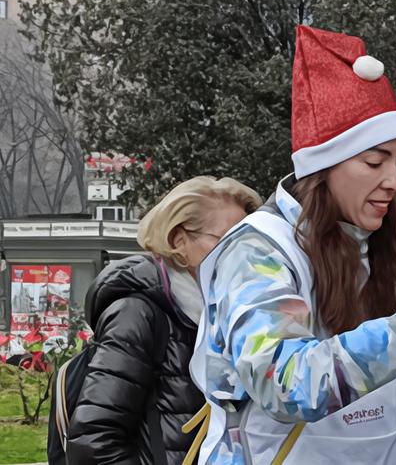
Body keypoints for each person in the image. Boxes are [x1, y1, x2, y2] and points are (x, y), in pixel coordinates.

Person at [188, 25, 396, 465]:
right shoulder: (258, 251)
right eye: (375, 161)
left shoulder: (376, 261)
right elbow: (285, 383)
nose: (395, 182)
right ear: (323, 167)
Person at [67, 176, 262, 465]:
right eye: (228, 240)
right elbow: (94, 442)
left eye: (250, 240)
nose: (243, 253)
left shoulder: (226, 317)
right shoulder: (137, 314)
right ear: (178, 240)